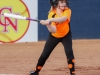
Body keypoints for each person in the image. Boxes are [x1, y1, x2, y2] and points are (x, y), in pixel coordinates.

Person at [30, 0, 76, 75]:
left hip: (66, 35)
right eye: (61, 2)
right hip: (54, 36)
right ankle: (36, 71)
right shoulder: (51, 14)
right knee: (45, 54)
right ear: (55, 4)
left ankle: (73, 73)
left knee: (69, 52)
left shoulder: (67, 10)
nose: (64, 3)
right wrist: (47, 24)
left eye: (64, 2)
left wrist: (50, 20)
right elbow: (53, 30)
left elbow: (63, 19)